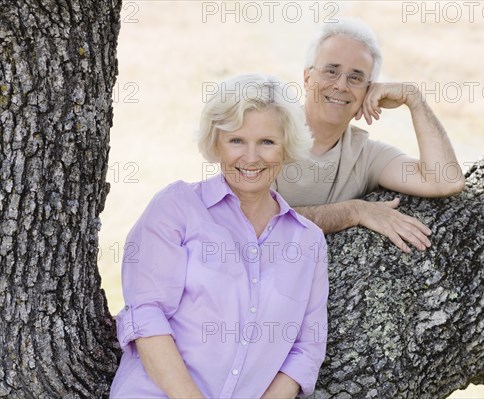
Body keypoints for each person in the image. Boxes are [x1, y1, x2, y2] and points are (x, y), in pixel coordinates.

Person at [110, 74, 329, 399]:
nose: (252, 157)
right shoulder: (176, 208)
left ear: (287, 148)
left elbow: (306, 350)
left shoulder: (308, 241)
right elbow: (146, 316)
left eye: (267, 142)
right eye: (236, 140)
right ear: (215, 143)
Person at [275, 18, 465, 254]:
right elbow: (251, 221)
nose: (341, 85)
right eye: (331, 71)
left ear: (368, 90)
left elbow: (445, 180)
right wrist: (356, 211)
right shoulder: (267, 135)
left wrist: (414, 99)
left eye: (355, 77)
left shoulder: (365, 155)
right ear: (307, 78)